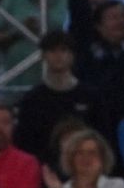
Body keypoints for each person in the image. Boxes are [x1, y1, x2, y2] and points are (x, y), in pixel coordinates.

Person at [14, 30, 106, 167]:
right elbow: (24, 142)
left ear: (72, 55)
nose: (58, 56)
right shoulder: (31, 100)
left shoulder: (91, 97)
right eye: (52, 51)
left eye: (63, 50)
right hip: (42, 169)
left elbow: (101, 137)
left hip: (85, 168)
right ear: (43, 56)